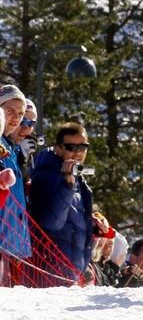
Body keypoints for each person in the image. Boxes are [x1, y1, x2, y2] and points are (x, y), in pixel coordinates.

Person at [29, 121, 95, 282]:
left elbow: (74, 220)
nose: (78, 153)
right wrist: (67, 185)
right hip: (50, 266)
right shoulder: (48, 176)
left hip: (70, 267)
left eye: (82, 147)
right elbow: (52, 222)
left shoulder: (76, 177)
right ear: (58, 149)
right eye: (71, 148)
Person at [0, 84, 31, 266]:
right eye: (9, 111)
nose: (16, 118)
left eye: (20, 114)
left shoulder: (10, 147)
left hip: (13, 245)